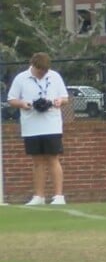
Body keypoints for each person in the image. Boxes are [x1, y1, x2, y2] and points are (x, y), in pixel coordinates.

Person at [6, 53, 70, 206]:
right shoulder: (21, 78)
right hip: (31, 126)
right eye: (40, 70)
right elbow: (11, 99)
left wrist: (59, 101)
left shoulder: (55, 76)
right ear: (32, 65)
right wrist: (24, 104)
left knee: (53, 158)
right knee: (37, 161)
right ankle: (39, 196)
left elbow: (65, 98)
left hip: (52, 125)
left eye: (45, 70)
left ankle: (58, 196)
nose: (42, 73)